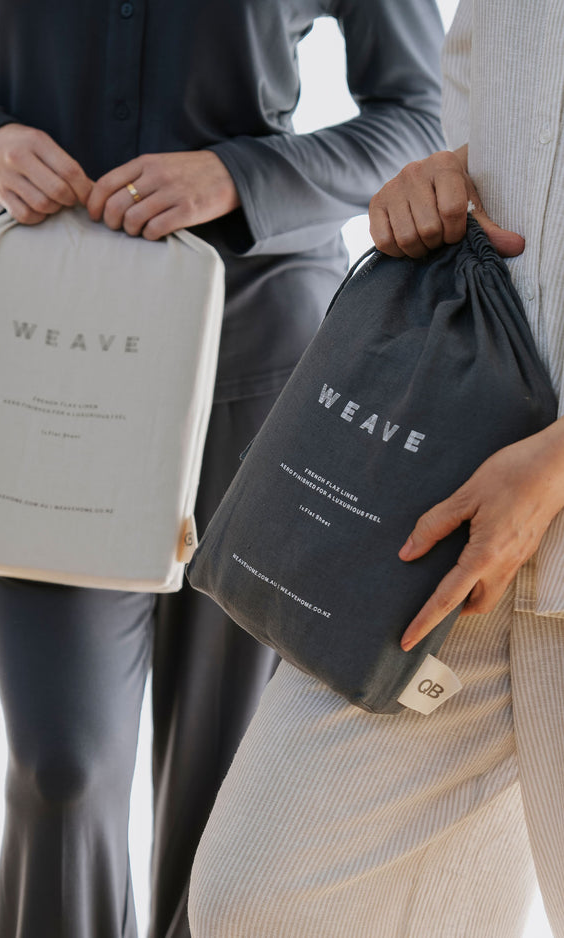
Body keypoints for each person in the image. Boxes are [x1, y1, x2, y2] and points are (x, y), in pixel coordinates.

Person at [0, 2, 446, 936]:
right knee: (60, 770)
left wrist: (238, 175)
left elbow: (419, 116)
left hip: (267, 374)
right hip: (53, 361)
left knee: (222, 807)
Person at [188, 2, 564, 936]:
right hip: (437, 533)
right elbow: (487, 114)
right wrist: (441, 178)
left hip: (529, 517)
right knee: (251, 898)